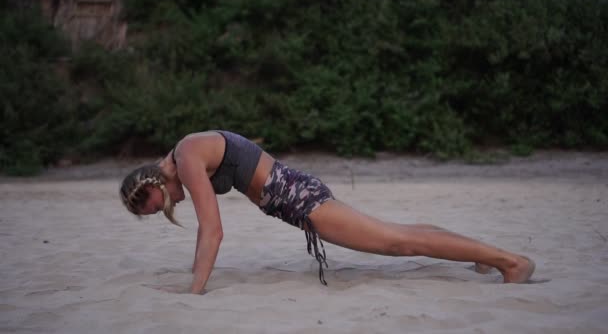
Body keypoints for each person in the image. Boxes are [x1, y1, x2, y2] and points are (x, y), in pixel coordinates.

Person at [119, 130, 535, 294]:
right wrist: (196, 274)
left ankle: (511, 262)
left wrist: (195, 293)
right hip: (297, 196)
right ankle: (483, 257)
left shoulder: (187, 156)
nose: (179, 200)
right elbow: (204, 231)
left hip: (302, 200)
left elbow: (212, 230)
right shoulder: (180, 156)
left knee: (397, 242)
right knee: (400, 234)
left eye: (167, 202)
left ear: (158, 180)